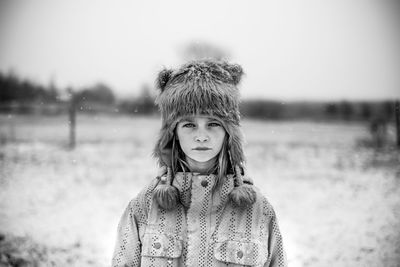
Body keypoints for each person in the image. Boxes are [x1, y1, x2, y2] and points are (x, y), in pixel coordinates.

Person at [112, 60, 287, 267]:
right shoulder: (145, 205)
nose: (201, 136)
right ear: (173, 134)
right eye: (189, 124)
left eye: (213, 124)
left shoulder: (257, 209)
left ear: (229, 134)